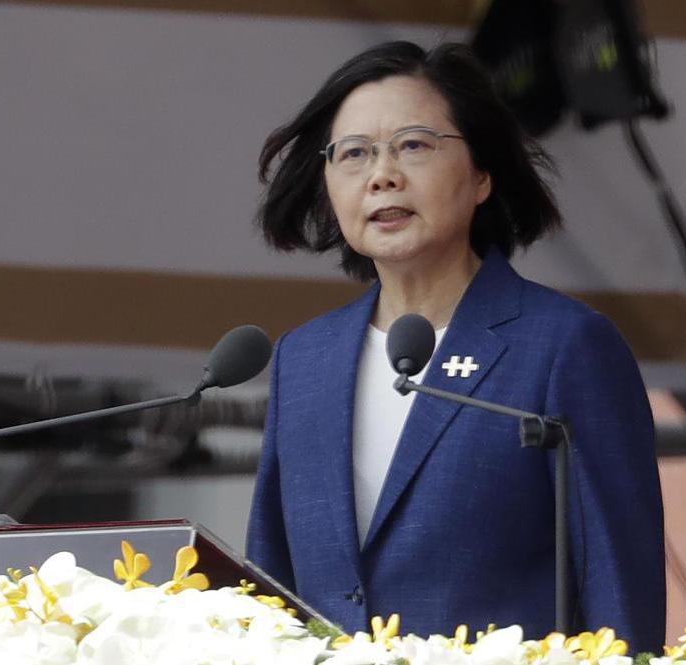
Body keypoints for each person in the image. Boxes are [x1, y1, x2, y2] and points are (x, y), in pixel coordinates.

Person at [245, 41, 664, 651]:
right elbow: (270, 590)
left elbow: (619, 589)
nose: (382, 174)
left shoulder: (563, 345)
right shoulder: (304, 360)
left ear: (482, 176)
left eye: (413, 145)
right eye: (355, 154)